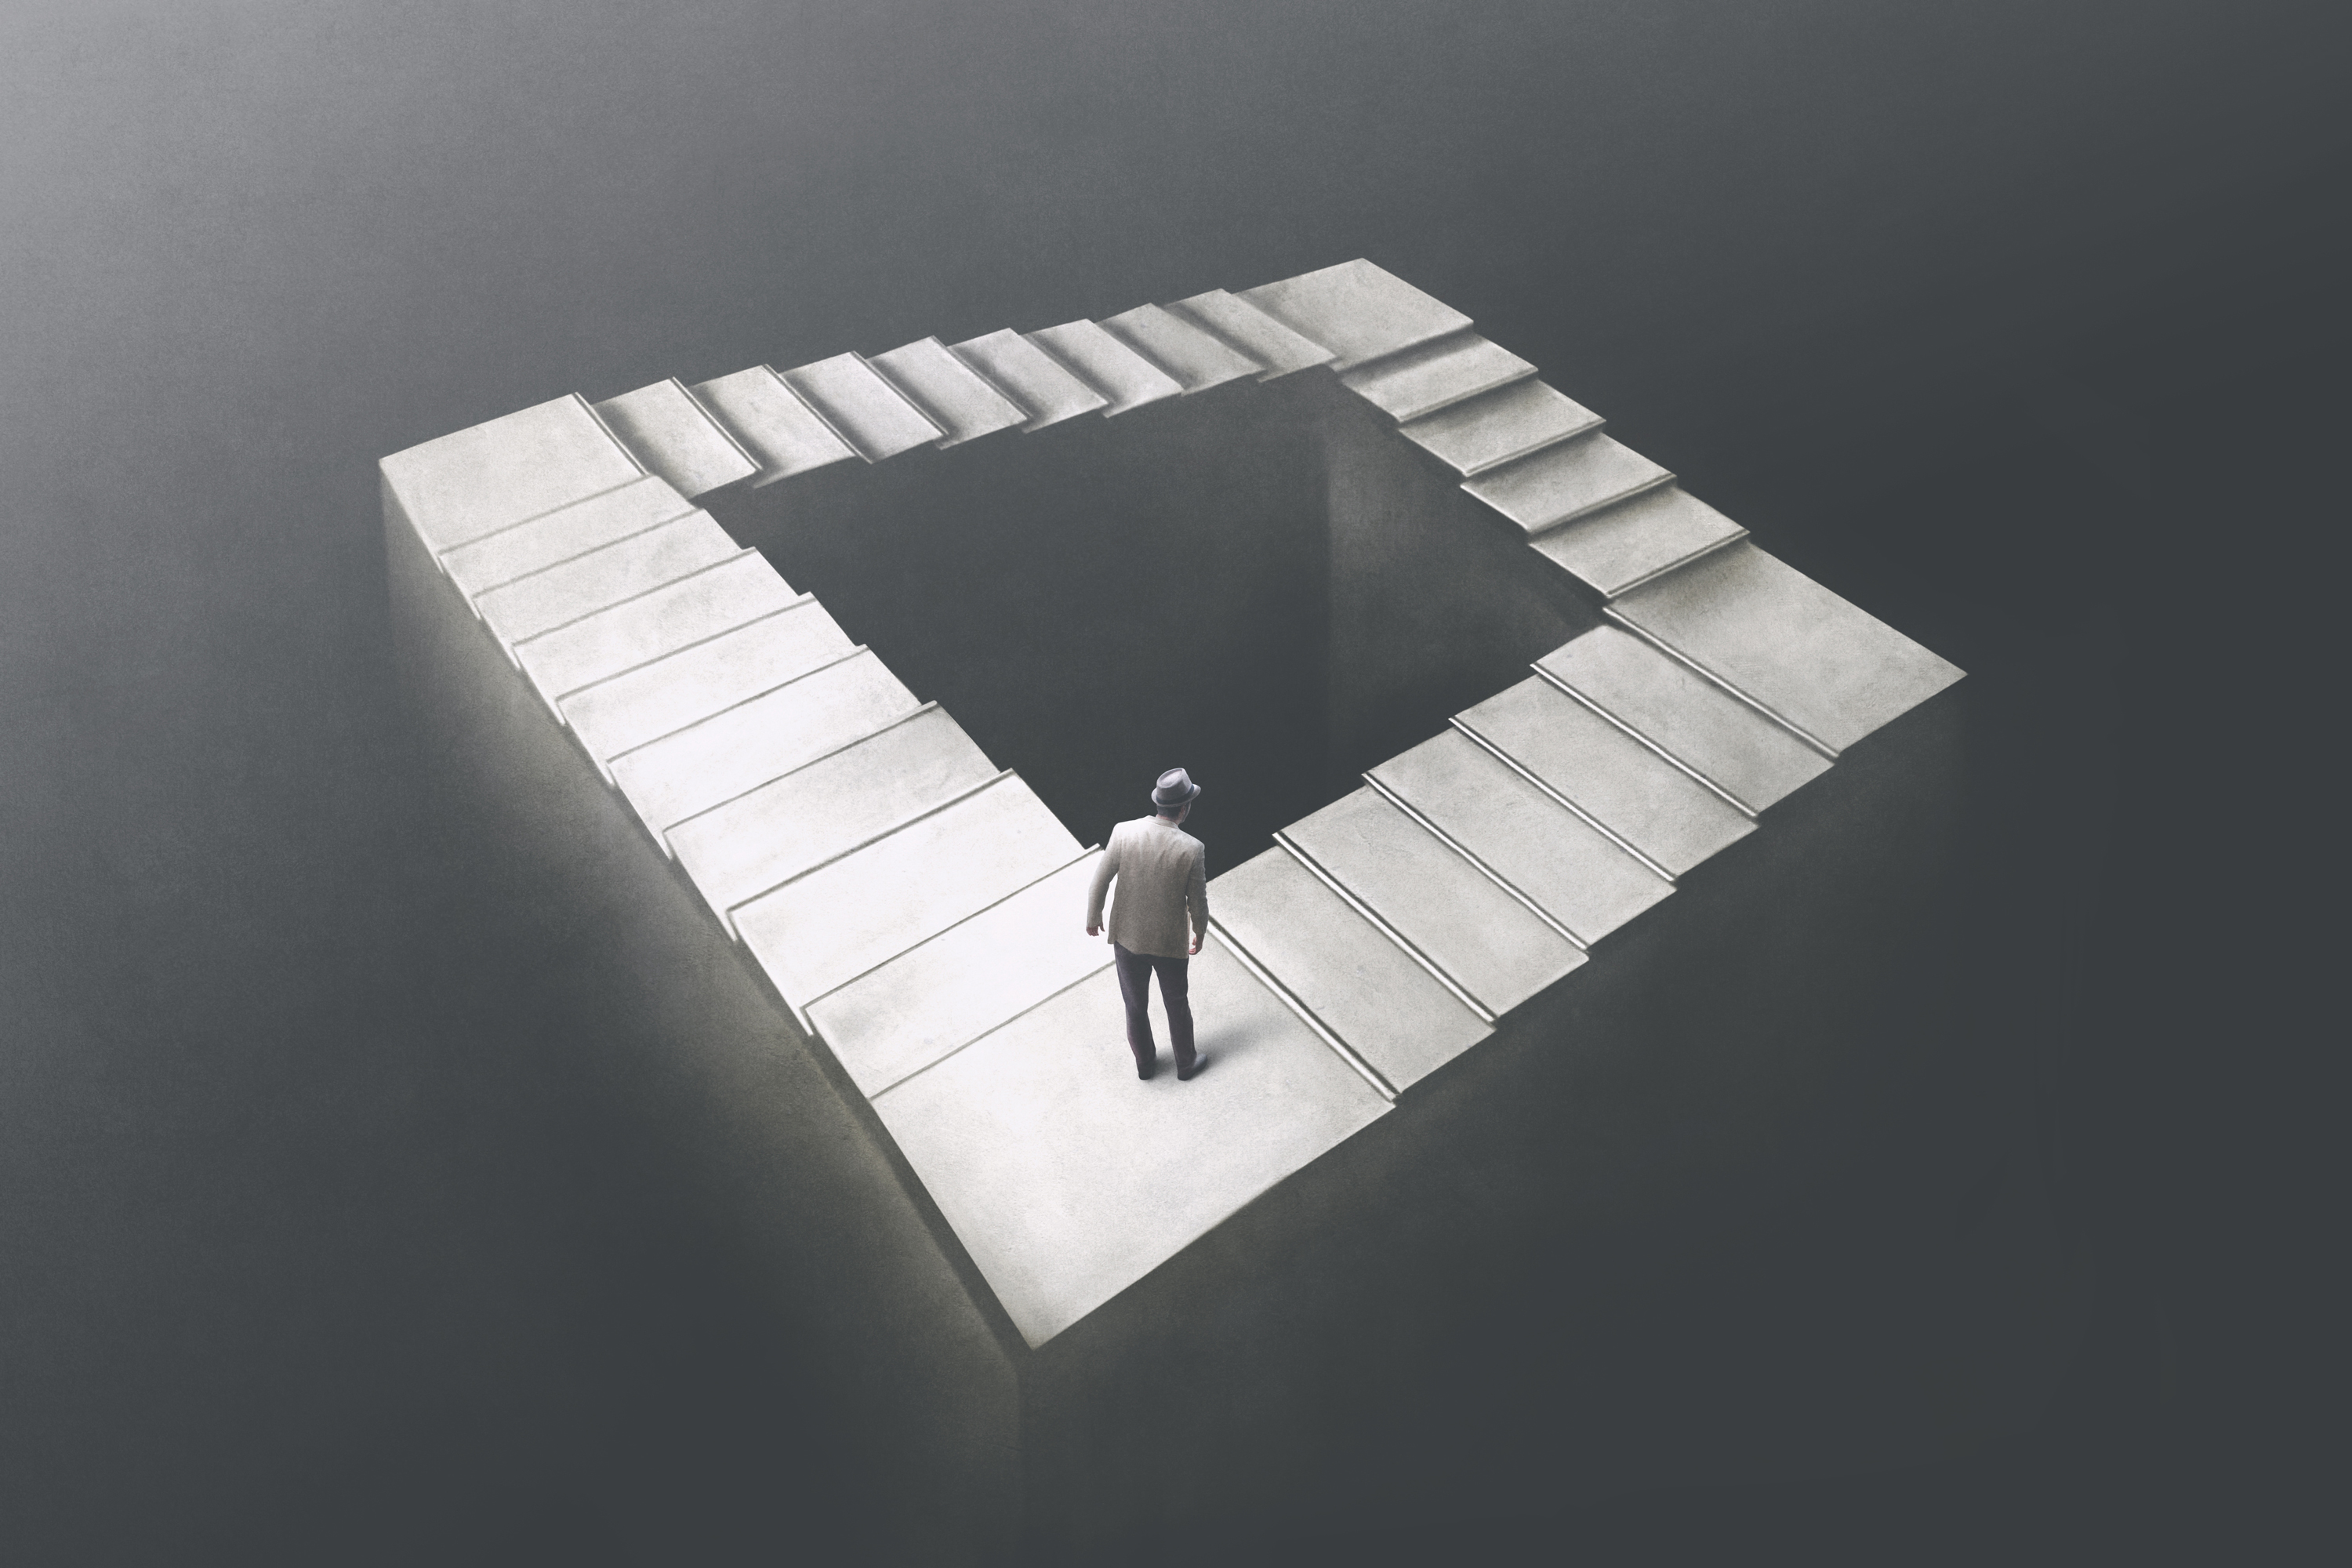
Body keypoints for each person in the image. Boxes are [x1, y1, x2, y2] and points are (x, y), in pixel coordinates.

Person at [1086, 768, 1210, 1082]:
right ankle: (1186, 1063)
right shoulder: (1192, 848)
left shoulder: (1124, 831)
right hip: (1169, 943)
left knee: (1135, 1005)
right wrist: (1200, 931)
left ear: (1159, 803)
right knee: (1176, 1004)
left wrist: (1094, 917)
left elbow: (1099, 881)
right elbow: (1198, 901)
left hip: (1127, 939)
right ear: (1184, 809)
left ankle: (1145, 1064)